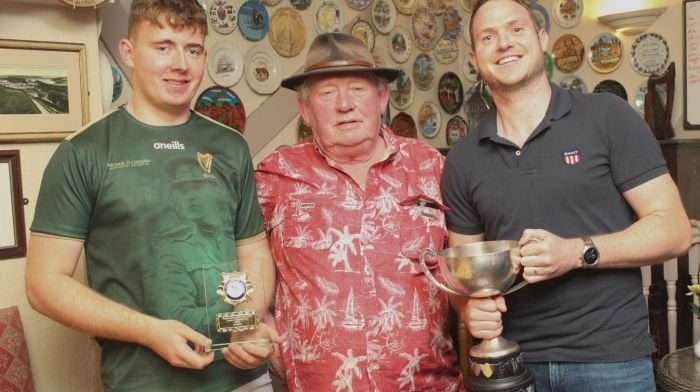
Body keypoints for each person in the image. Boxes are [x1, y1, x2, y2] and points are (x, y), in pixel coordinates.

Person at [25, 1, 281, 390]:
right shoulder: (84, 152)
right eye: (163, 46)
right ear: (128, 52)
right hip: (144, 381)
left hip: (243, 379)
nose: (180, 63)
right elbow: (44, 284)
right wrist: (148, 331)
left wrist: (246, 322)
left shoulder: (231, 146)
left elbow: (254, 251)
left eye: (192, 49)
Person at [441, 0, 691, 391]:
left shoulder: (609, 117)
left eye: (516, 29)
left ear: (542, 39)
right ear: (475, 58)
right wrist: (468, 307)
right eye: (488, 37)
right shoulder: (463, 158)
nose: (504, 43)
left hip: (611, 361)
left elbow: (673, 230)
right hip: (512, 365)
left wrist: (576, 252)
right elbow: (465, 276)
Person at [255, 33, 464, 391]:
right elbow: (234, 256)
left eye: (357, 89)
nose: (344, 104)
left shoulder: (432, 168)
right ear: (305, 110)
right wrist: (258, 319)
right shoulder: (275, 176)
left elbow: (464, 264)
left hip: (429, 384)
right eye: (326, 93)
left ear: (382, 98)